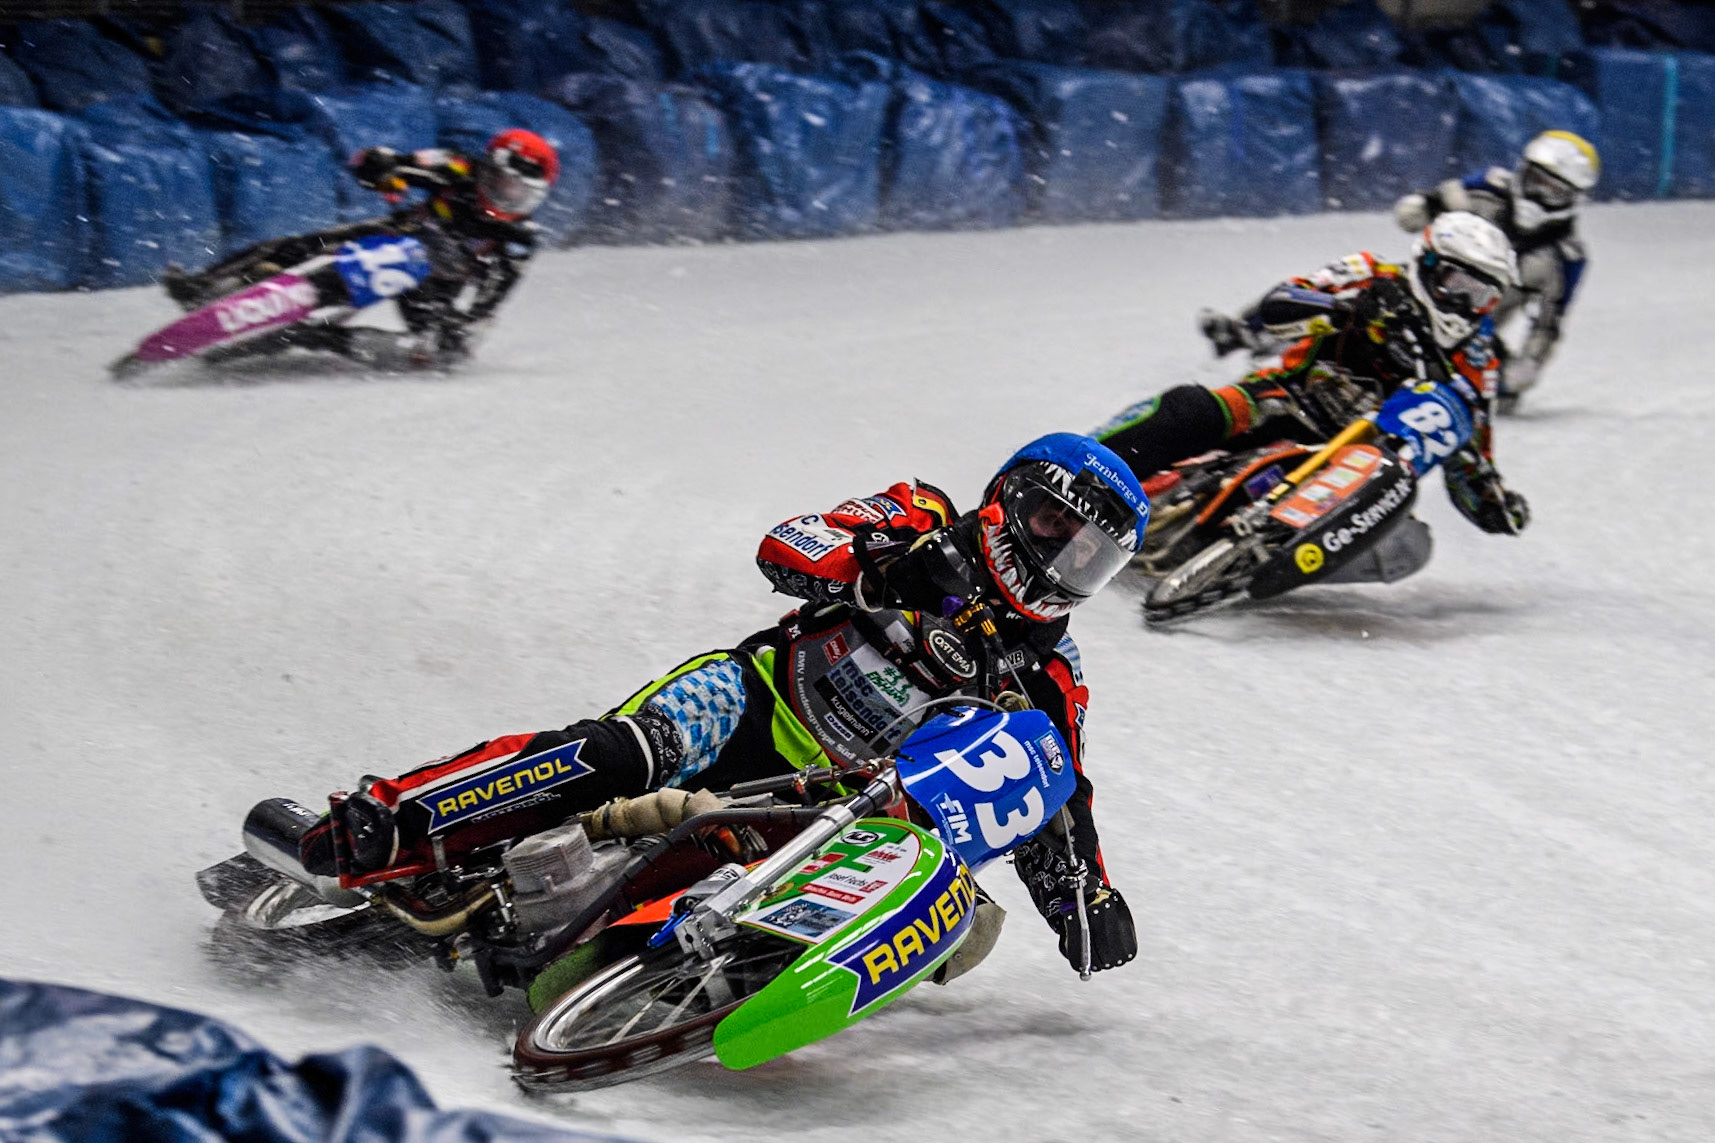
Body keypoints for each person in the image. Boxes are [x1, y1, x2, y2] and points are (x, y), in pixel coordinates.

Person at [269, 434, 1149, 975]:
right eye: (1050, 529)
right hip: (753, 696)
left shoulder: (1051, 670)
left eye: (1085, 558)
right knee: (622, 754)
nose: (1058, 563)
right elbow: (789, 543)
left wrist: (1086, 895)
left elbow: (1055, 786)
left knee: (947, 911)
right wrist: (880, 563)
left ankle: (668, 970)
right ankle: (393, 819)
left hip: (832, 797)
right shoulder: (920, 511)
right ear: (1010, 498)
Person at [1098, 211, 1530, 579]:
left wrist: (1492, 502)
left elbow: (1471, 449)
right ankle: (1082, 466)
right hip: (1284, 400)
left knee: (1409, 546)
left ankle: (1271, 563)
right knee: (1189, 408)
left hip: (1362, 462)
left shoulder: (1478, 363)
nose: (1462, 303)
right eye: (1457, 283)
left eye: (1481, 295)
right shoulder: (1370, 274)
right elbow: (1278, 305)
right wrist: (1345, 309)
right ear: (1429, 263)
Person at [1204, 131, 1599, 410]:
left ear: (1573, 198)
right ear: (1522, 171)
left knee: (1467, 385)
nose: (1541, 195)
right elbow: (1435, 200)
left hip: (1474, 324)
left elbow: (1549, 322)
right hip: (1418, 288)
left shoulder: (1566, 256)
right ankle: (1249, 329)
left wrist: (1524, 369)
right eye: (1538, 181)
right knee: (1348, 298)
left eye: (1555, 190)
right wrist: (1422, 206)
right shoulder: (1489, 188)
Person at [164, 129, 560, 367]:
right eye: (500, 182)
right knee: (299, 245)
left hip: (436, 293)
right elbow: (388, 163)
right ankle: (209, 285)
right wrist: (381, 167)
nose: (506, 198)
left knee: (442, 356)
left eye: (520, 194)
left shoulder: (518, 243)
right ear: (485, 167)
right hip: (401, 236)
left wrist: (455, 324)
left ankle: (309, 337)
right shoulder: (458, 167)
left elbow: (484, 309)